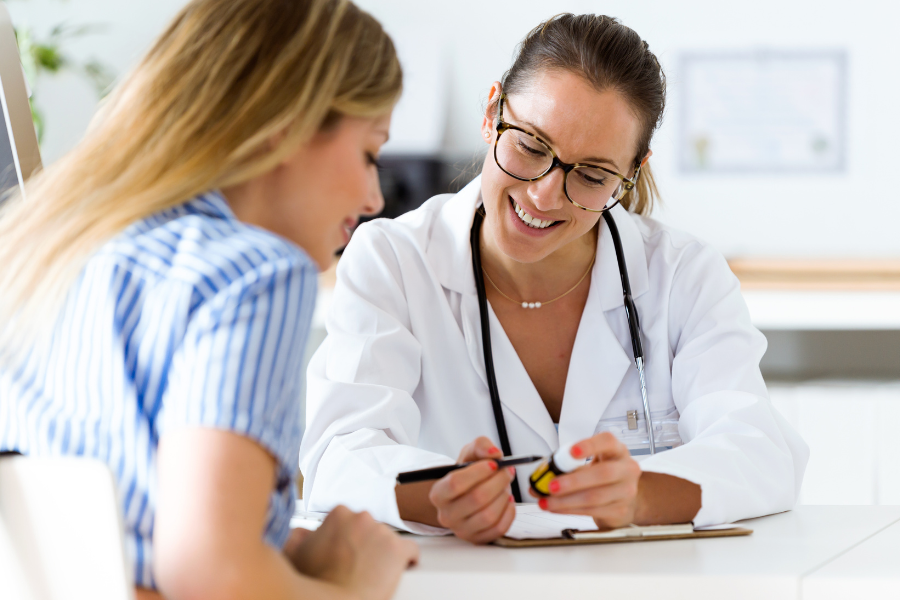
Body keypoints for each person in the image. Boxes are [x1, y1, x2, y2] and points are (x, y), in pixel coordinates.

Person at [299, 13, 809, 543]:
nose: (544, 195)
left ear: (631, 169)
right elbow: (339, 457)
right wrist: (440, 497)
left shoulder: (683, 275)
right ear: (493, 111)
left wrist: (640, 495)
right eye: (530, 146)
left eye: (591, 175)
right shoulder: (394, 262)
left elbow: (760, 450)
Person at [0, 0, 418, 597]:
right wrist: (355, 586)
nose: (375, 196)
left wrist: (268, 549)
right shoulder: (254, 275)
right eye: (369, 153)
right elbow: (211, 573)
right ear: (290, 122)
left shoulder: (46, 250)